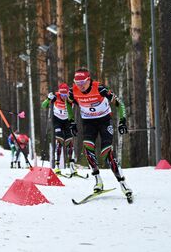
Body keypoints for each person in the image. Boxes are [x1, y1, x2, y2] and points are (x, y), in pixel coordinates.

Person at [65, 68, 132, 198]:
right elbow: (68, 104)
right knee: (88, 148)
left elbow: (120, 104)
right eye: (77, 83)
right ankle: (98, 181)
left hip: (104, 121)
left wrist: (122, 121)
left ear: (89, 80)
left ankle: (123, 183)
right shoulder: (73, 91)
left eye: (82, 83)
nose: (80, 86)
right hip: (88, 123)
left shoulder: (100, 89)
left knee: (106, 153)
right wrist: (71, 121)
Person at [41, 83, 76, 174]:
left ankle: (72, 165)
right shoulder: (56, 97)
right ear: (59, 93)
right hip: (57, 121)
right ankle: (57, 166)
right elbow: (43, 106)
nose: (64, 97)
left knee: (69, 142)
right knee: (60, 141)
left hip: (67, 121)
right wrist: (48, 99)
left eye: (66, 94)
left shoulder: (71, 97)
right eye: (62, 95)